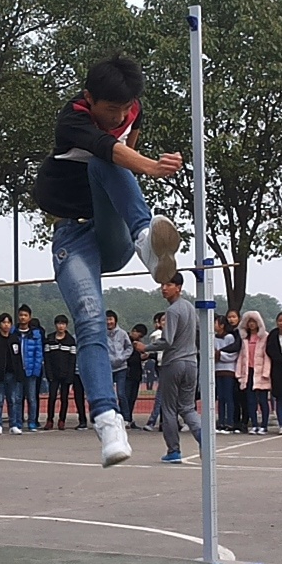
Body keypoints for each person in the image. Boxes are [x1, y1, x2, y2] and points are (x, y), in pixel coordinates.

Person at [32, 54, 183, 466]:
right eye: (110, 109)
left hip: (112, 234)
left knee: (111, 165)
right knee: (90, 319)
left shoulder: (133, 111)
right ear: (89, 99)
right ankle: (107, 420)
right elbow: (112, 151)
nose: (119, 116)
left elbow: (122, 165)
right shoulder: (73, 121)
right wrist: (152, 167)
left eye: (124, 109)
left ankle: (145, 241)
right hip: (73, 236)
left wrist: (137, 175)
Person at [142, 275, 204, 463]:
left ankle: (173, 450)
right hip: (191, 362)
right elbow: (199, 333)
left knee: (168, 408)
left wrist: (146, 347)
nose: (164, 288)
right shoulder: (191, 308)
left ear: (178, 287)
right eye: (162, 284)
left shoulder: (172, 311)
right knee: (187, 406)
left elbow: (167, 340)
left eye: (168, 284)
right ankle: (203, 436)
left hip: (174, 363)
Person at [233, 311, 269, 434]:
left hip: (260, 372)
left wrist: (266, 372)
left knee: (263, 400)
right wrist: (238, 373)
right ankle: (254, 424)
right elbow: (241, 357)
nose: (252, 324)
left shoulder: (264, 337)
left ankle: (264, 425)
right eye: (249, 322)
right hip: (248, 372)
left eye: (254, 321)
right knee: (250, 400)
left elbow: (267, 356)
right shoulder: (244, 338)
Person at [15, 306, 45, 432]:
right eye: (21, 315)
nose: (23, 317)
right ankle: (18, 421)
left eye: (25, 315)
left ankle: (32, 422)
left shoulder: (35, 334)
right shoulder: (13, 332)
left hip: (31, 370)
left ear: (29, 317)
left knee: (31, 398)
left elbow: (39, 353)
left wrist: (36, 369)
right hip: (17, 371)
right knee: (17, 398)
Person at [105, 311, 135, 430]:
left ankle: (126, 418)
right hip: (107, 367)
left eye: (111, 319)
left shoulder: (122, 333)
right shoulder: (102, 334)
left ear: (115, 320)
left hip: (121, 367)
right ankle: (110, 418)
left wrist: (122, 357)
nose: (109, 322)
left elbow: (129, 347)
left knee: (121, 394)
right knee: (109, 395)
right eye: (106, 319)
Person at [212, 315, 239, 432]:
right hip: (217, 370)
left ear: (222, 325)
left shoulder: (229, 338)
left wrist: (219, 355)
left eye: (215, 323)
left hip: (228, 370)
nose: (214, 325)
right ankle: (221, 421)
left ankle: (230, 422)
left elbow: (233, 355)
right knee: (220, 397)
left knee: (228, 397)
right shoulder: (213, 338)